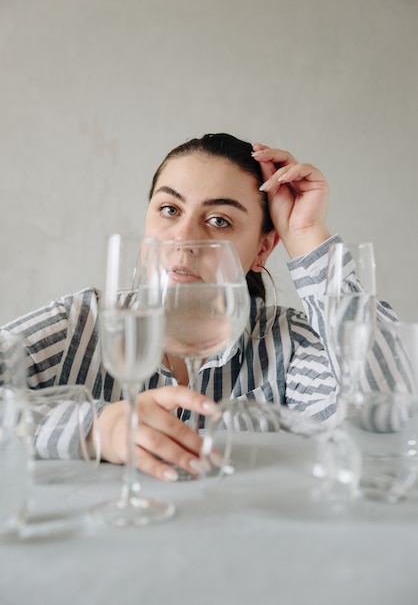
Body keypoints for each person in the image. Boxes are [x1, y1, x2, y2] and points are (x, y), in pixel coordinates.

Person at [1, 133, 397, 482]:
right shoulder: (79, 325)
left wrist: (308, 236)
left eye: (219, 220)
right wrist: (93, 428)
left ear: (262, 248)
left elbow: (389, 415)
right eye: (169, 210)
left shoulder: (289, 345)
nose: (184, 239)